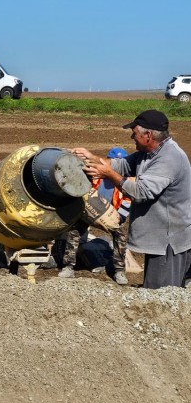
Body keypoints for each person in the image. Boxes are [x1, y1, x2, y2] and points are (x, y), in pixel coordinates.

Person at [73, 110, 191, 289]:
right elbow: (122, 165)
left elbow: (141, 191)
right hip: (159, 238)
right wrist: (93, 159)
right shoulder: (149, 153)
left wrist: (109, 174)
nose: (132, 137)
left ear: (148, 135)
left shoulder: (169, 158)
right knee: (154, 290)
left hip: (169, 242)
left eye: (134, 133)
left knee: (161, 294)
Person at [57, 147, 131, 285]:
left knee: (121, 235)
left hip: (111, 216)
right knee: (74, 230)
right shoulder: (95, 175)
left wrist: (119, 217)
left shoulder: (124, 181)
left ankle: (119, 270)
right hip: (89, 213)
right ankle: (68, 266)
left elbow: (127, 201)